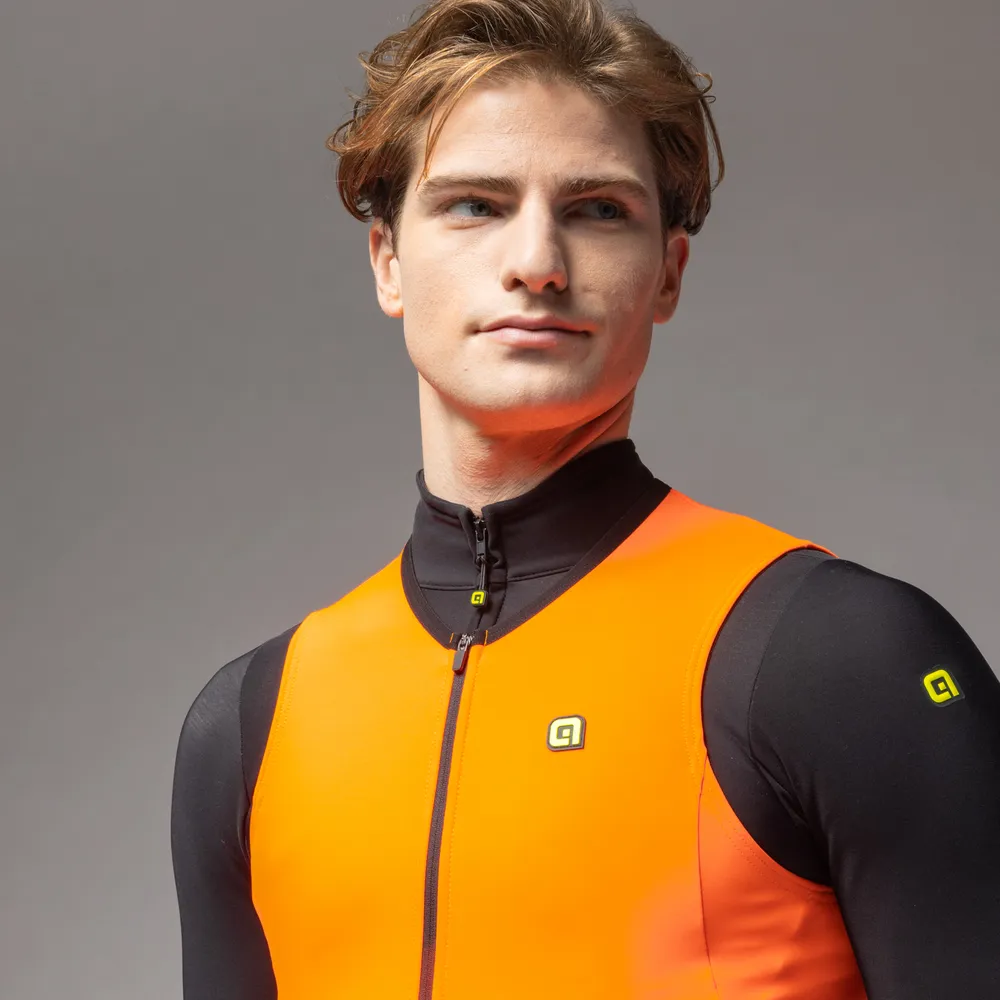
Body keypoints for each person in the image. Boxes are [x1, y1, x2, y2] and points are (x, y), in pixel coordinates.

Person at [169, 0, 1000, 996]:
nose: (536, 263)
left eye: (598, 209)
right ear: (388, 261)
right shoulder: (250, 725)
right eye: (474, 205)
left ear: (667, 274)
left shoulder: (841, 658)